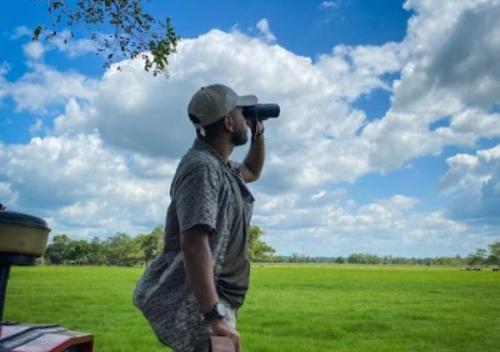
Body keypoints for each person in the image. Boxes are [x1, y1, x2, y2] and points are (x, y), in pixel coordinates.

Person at [133, 83, 266, 352]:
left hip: (217, 304)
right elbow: (194, 242)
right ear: (229, 122)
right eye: (242, 113)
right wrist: (214, 316)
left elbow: (252, 169)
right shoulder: (202, 168)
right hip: (209, 307)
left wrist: (258, 134)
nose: (247, 117)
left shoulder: (220, 166)